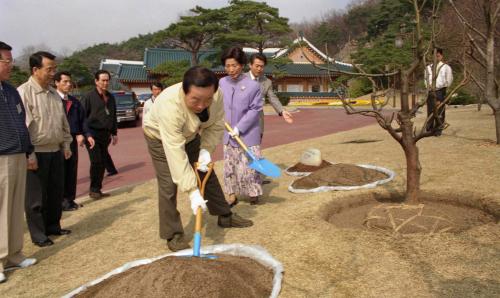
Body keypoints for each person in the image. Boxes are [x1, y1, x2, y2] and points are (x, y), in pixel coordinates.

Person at [143, 66, 253, 252]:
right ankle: (173, 234)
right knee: (169, 184)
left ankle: (224, 215)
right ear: (184, 91)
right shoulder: (169, 106)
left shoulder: (216, 96)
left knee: (205, 172)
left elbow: (217, 125)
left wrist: (206, 151)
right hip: (160, 139)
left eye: (207, 99)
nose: (202, 105)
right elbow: (175, 153)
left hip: (191, 135)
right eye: (195, 99)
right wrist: (193, 192)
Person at [17, 51, 73, 247]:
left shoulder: (53, 94)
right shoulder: (23, 93)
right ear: (35, 69)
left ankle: (53, 226)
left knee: (56, 192)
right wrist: (28, 153)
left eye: (54, 69)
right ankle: (39, 234)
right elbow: (22, 127)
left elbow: (63, 123)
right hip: (36, 152)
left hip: (55, 150)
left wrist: (66, 144)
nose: (53, 74)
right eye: (49, 69)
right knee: (35, 198)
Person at [0, 41, 37, 283]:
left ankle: (14, 253)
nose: (11, 65)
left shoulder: (11, 90)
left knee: (13, 208)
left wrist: (28, 151)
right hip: (0, 157)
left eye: (11, 60)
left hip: (17, 154)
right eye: (6, 61)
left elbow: (22, 122)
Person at [220, 47, 263, 206]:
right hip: (227, 133)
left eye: (234, 65)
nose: (230, 69)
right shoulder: (222, 83)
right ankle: (231, 195)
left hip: (247, 133)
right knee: (229, 167)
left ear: (242, 64)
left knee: (250, 167)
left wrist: (239, 128)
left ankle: (253, 194)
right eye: (227, 66)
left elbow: (255, 109)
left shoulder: (252, 85)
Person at [54, 71, 95, 211]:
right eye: (65, 81)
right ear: (56, 83)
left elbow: (83, 120)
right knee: (60, 171)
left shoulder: (74, 101)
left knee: (71, 170)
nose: (68, 84)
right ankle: (59, 202)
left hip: (72, 140)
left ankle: (70, 200)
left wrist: (86, 134)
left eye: (69, 81)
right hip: (57, 141)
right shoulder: (52, 100)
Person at [81, 70, 118, 199]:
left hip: (105, 135)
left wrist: (114, 132)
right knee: (96, 161)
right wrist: (87, 135)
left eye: (107, 80)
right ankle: (94, 189)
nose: (105, 83)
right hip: (92, 135)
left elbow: (113, 115)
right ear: (96, 81)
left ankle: (97, 189)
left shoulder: (111, 97)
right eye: (103, 80)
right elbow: (83, 117)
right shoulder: (88, 97)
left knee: (102, 162)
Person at [247, 53, 293, 137]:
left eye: (262, 66)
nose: (259, 69)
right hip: (239, 124)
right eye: (257, 66)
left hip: (257, 123)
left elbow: (272, 98)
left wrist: (282, 111)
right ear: (250, 65)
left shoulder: (267, 82)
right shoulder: (241, 79)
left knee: (255, 149)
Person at [424, 48, 453, 136]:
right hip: (430, 91)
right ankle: (429, 129)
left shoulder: (446, 67)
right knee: (430, 110)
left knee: (439, 110)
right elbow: (425, 79)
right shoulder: (428, 67)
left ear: (441, 56)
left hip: (440, 91)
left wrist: (443, 87)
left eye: (438, 56)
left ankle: (438, 130)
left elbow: (449, 79)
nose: (436, 58)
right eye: (434, 56)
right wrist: (427, 86)